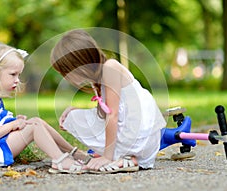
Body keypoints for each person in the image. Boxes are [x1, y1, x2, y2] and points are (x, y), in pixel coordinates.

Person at [50, 29, 196, 173]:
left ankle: (127, 157)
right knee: (73, 118)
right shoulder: (97, 79)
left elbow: (112, 116)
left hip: (137, 134)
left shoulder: (109, 67)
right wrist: (74, 109)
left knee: (93, 125)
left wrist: (107, 157)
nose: (66, 77)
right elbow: (103, 114)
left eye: (66, 72)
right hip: (128, 128)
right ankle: (121, 155)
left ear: (79, 64)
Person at [0, 42, 88, 174]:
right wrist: (12, 125)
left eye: (19, 74)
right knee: (34, 125)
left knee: (37, 121)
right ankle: (59, 160)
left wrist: (13, 121)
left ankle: (75, 153)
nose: (17, 79)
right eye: (13, 74)